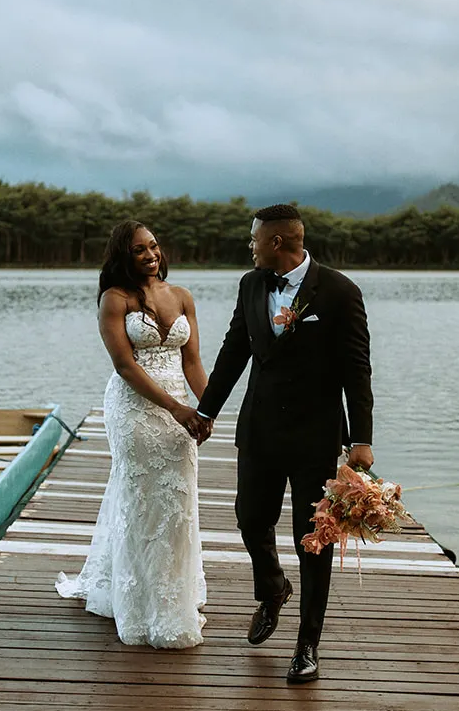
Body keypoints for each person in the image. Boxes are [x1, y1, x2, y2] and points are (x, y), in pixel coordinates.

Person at [194, 204, 374, 683]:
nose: (249, 246)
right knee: (250, 518)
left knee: (312, 540)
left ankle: (307, 645)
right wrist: (205, 411)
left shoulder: (339, 291)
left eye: (254, 239)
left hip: (315, 437)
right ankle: (272, 587)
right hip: (259, 429)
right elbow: (234, 350)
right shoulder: (251, 285)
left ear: (277, 242)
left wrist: (361, 439)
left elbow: (357, 370)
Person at [55, 220, 209, 648]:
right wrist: (177, 408)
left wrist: (206, 408)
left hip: (180, 407)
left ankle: (175, 597)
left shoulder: (181, 297)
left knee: (177, 502)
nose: (151, 255)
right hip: (134, 408)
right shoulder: (114, 299)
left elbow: (193, 362)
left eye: (154, 246)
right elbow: (125, 366)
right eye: (140, 249)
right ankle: (140, 604)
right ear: (125, 255)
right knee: (142, 500)